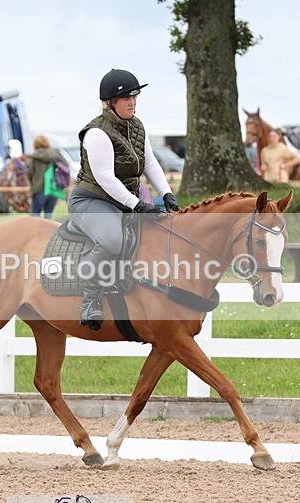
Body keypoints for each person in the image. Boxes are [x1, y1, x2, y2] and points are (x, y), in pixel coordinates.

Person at [67, 68, 179, 331]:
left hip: (122, 200)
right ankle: (90, 301)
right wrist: (138, 205)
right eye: (127, 98)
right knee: (112, 240)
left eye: (135, 97)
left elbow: (149, 163)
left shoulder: (137, 126)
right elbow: (105, 178)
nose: (132, 102)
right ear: (110, 103)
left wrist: (167, 194)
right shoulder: (96, 133)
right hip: (91, 200)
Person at [26, 134, 67, 219]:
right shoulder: (55, 154)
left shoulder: (33, 157)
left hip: (38, 189)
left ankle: (35, 232)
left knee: (34, 217)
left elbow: (29, 172)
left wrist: (33, 182)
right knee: (48, 218)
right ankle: (48, 233)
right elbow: (65, 165)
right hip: (53, 188)